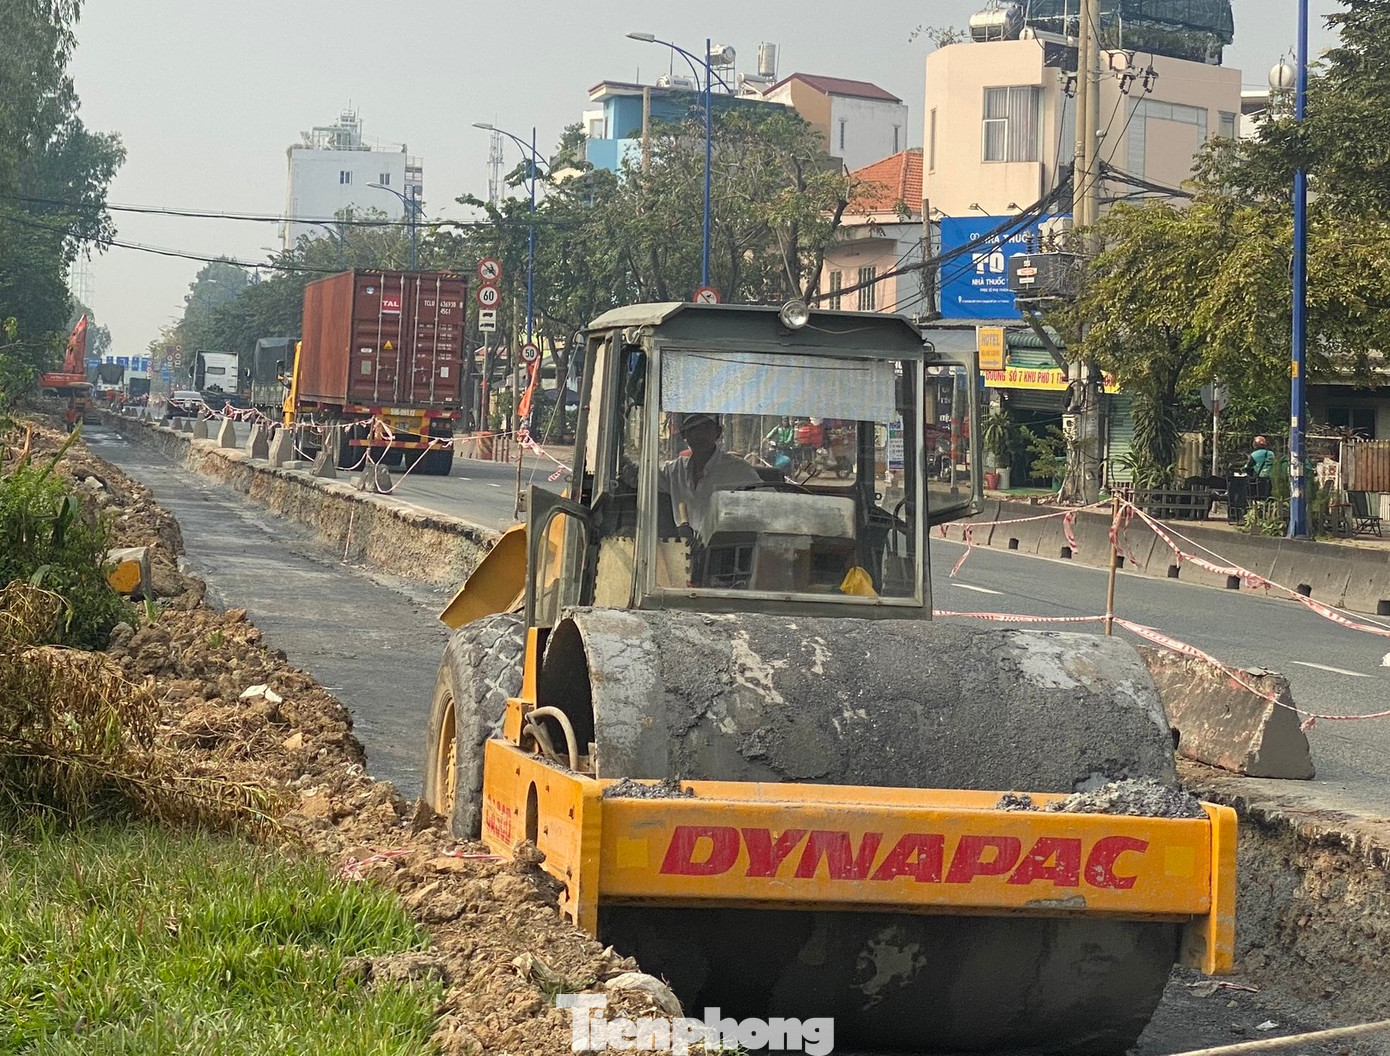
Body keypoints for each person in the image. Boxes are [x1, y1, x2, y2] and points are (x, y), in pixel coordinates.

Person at [660, 412, 760, 539]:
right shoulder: (674, 471)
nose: (699, 435)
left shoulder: (739, 470)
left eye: (705, 428)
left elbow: (768, 505)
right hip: (683, 548)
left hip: (726, 547)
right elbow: (642, 479)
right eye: (693, 429)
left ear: (717, 432)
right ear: (684, 434)